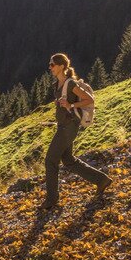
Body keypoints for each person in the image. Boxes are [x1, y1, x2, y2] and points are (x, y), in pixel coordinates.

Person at [41, 53, 111, 211]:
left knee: (50, 160)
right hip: (63, 126)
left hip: (69, 126)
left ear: (61, 66)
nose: (50, 68)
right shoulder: (57, 85)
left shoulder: (70, 83)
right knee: (68, 160)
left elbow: (89, 99)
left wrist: (71, 106)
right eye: (50, 64)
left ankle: (52, 199)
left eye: (52, 65)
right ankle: (101, 180)